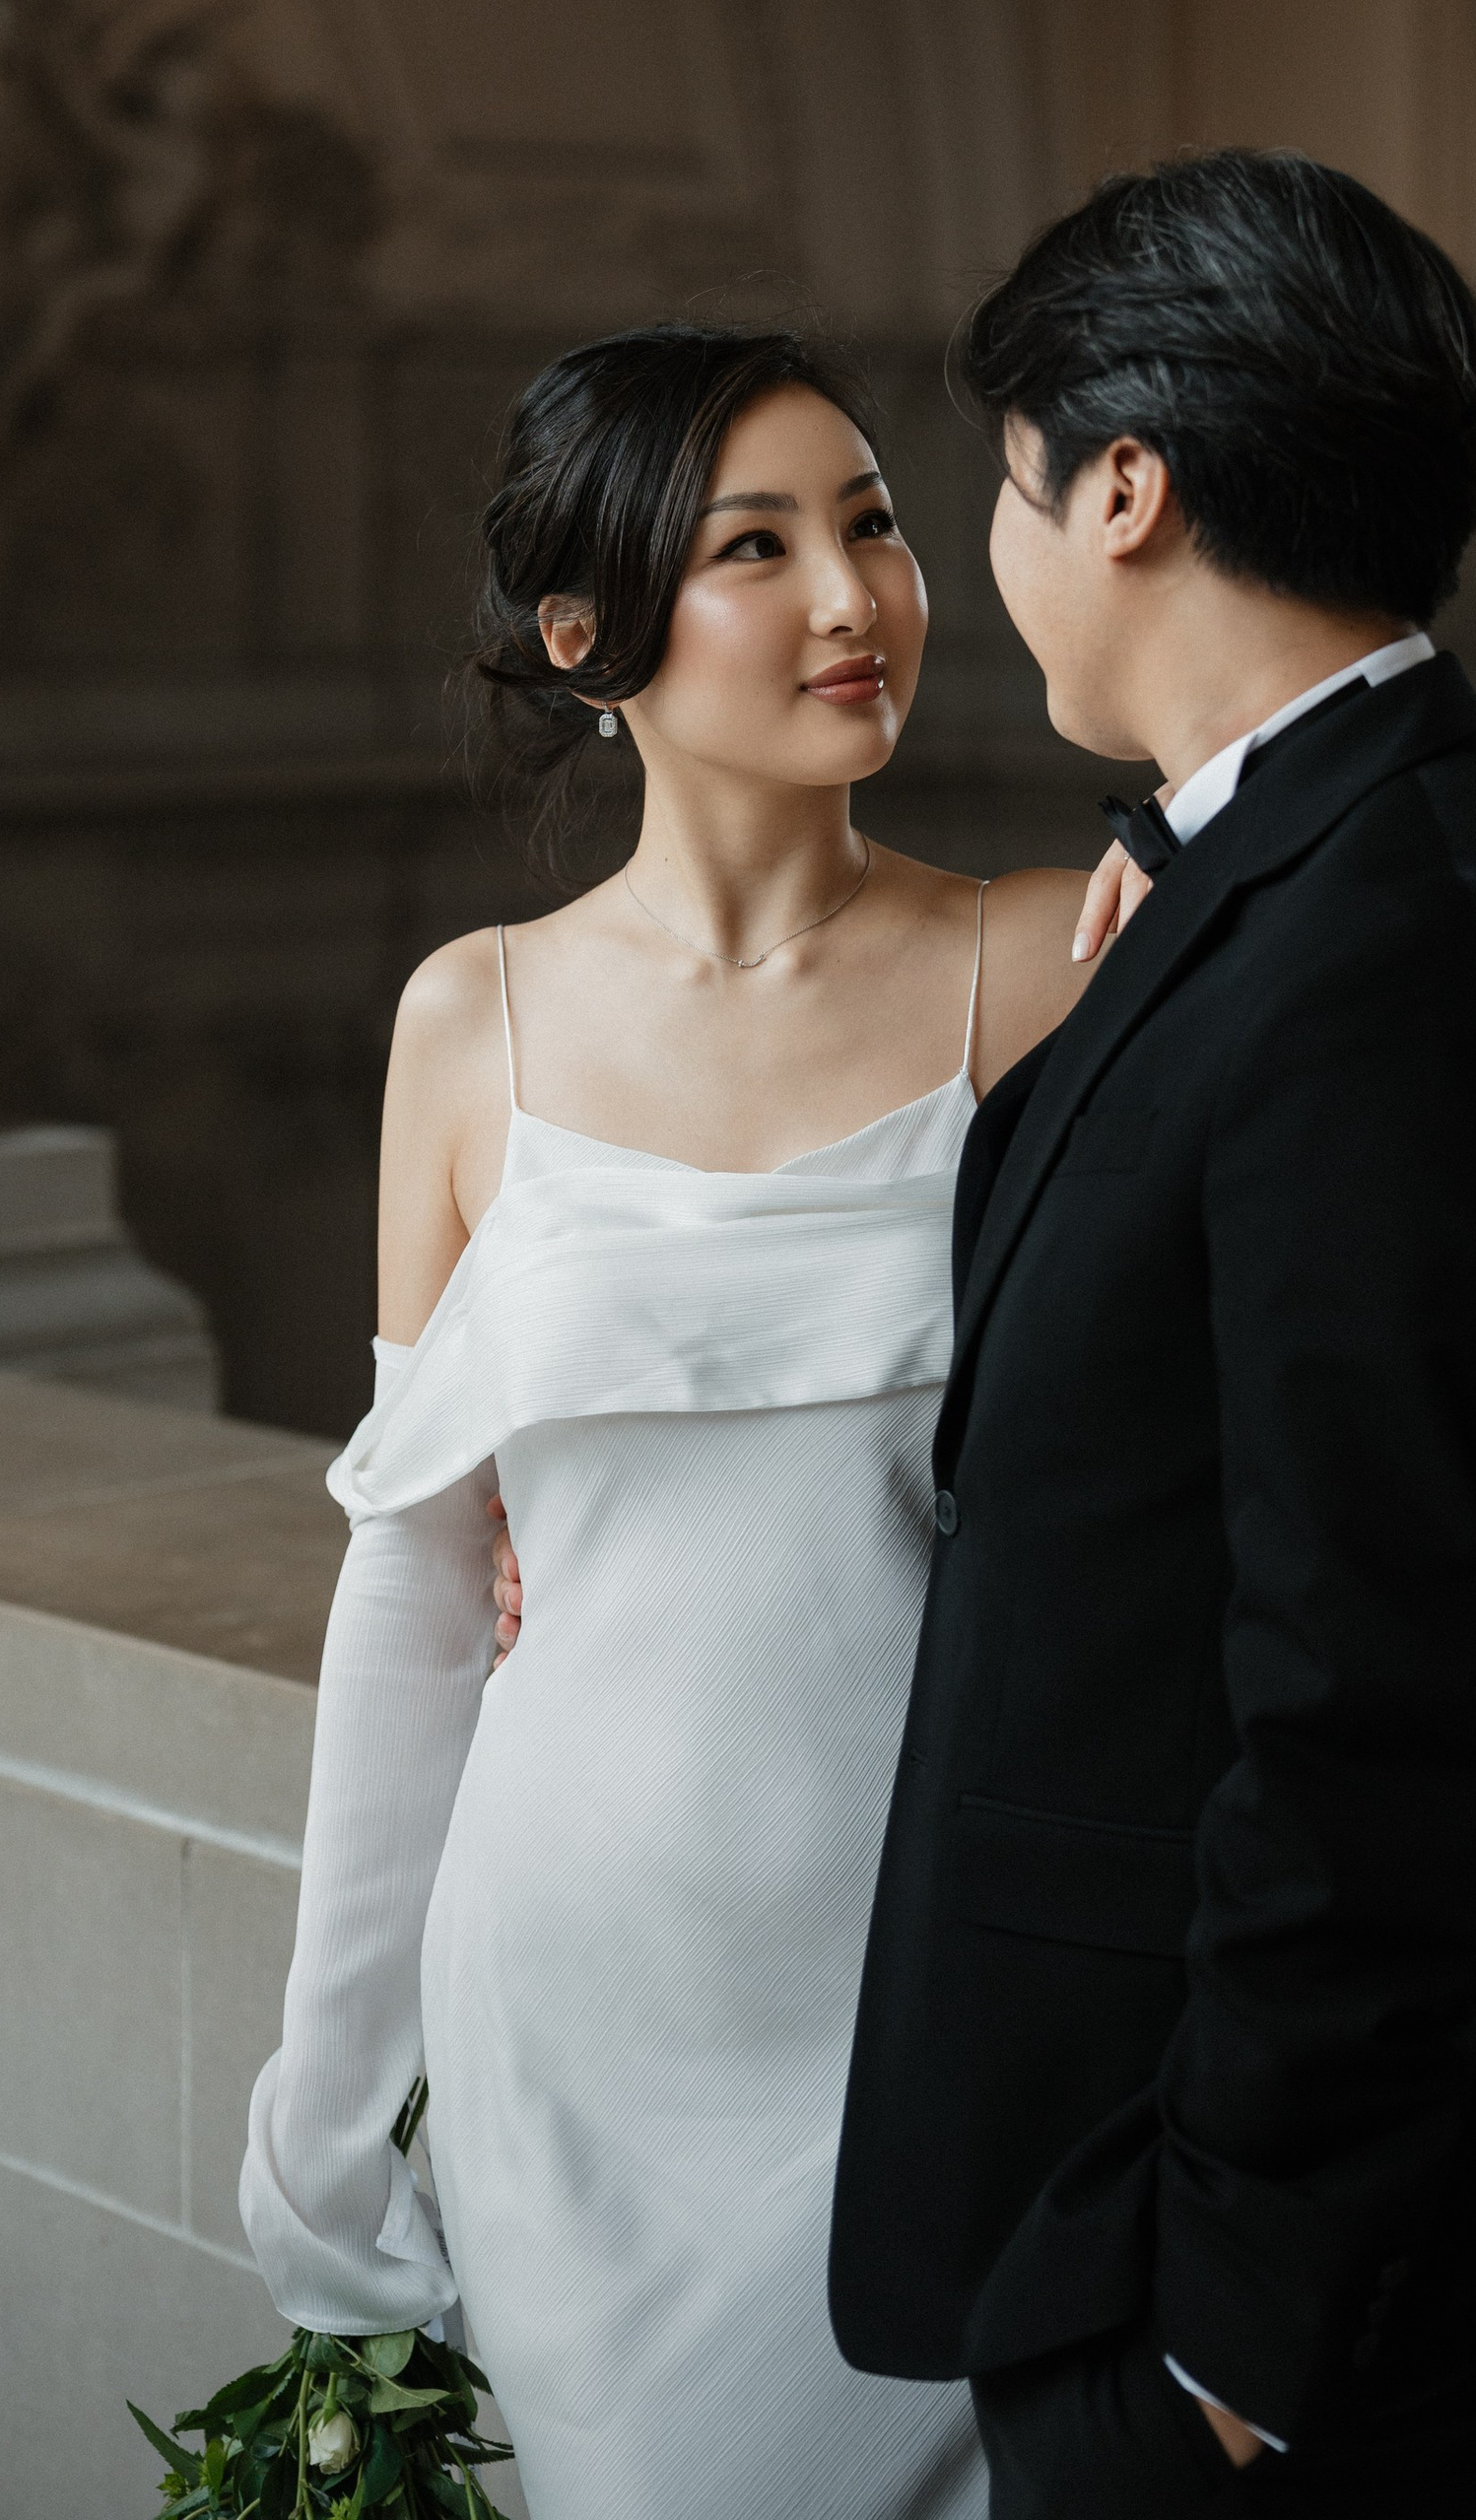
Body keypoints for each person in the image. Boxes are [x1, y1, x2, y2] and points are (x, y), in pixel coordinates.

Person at [826, 150, 1476, 2516]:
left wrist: (1235, 2335)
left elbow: (1382, 1695)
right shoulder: (1299, 865)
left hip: (1236, 2299)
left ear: (1122, 484)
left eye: (995, 487)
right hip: (1118, 2200)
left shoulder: (1381, 943)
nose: (979, 566)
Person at [238, 321, 1100, 2520]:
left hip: (926, 2015)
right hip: (580, 2015)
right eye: (760, 546)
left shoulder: (1048, 962)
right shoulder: (474, 1021)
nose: (855, 598)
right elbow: (418, 1588)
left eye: (878, 525)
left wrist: (1235, 919)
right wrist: (327, 2126)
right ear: (586, 634)